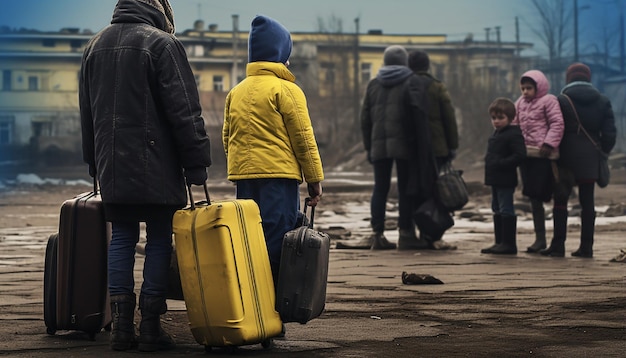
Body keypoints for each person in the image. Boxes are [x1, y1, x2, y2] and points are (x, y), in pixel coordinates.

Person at [79, 0, 212, 352]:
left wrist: (93, 160)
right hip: (158, 164)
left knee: (121, 237)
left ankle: (122, 326)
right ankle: (151, 326)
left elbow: (87, 113)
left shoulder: (95, 45)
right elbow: (184, 109)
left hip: (113, 165)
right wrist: (197, 160)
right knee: (157, 239)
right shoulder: (162, 44)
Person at [222, 15, 324, 286]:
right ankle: (272, 309)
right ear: (280, 53)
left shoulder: (236, 92)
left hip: (244, 179)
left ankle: (251, 304)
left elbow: (227, 136)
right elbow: (303, 139)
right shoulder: (287, 90)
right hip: (279, 179)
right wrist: (314, 180)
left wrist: (241, 165)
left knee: (250, 238)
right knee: (277, 238)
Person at [340, 45, 435, 251]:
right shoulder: (412, 82)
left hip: (379, 145)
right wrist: (422, 147)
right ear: (404, 62)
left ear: (384, 61)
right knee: (404, 188)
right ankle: (405, 232)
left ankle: (377, 233)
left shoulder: (374, 84)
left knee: (380, 188)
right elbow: (419, 115)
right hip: (405, 145)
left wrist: (369, 146)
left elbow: (365, 119)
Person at [541, 63, 616, 257]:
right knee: (587, 203)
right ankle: (586, 247)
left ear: (568, 79)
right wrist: (602, 151)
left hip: (565, 156)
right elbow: (609, 134)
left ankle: (558, 245)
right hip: (590, 157)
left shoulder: (561, 100)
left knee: (560, 200)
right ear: (588, 78)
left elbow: (553, 126)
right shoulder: (603, 101)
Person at [408, 50, 460, 250]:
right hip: (437, 148)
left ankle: (417, 231)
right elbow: (449, 118)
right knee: (435, 190)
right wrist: (452, 146)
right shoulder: (437, 87)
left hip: (412, 149)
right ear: (427, 66)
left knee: (415, 190)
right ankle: (433, 233)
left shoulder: (407, 86)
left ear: (410, 66)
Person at [512, 70, 564, 253]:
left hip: (544, 155)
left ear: (538, 87)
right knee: (533, 197)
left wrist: (549, 143)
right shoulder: (519, 103)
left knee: (546, 193)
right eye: (523, 88)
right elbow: (514, 125)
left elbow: (557, 123)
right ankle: (539, 239)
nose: (525, 91)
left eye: (529, 88)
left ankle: (556, 240)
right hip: (526, 155)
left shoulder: (549, 101)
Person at [481, 98, 526, 254]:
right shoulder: (496, 134)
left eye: (501, 118)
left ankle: (508, 243)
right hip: (495, 178)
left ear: (510, 118)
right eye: (494, 118)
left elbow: (520, 155)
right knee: (496, 208)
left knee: (506, 208)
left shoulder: (513, 134)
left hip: (505, 178)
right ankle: (499, 241)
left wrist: (501, 163)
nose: (497, 121)